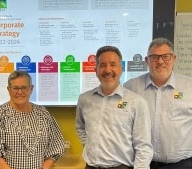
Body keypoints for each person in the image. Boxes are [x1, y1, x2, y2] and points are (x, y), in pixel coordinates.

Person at [75, 46, 153, 169]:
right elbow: (80, 127)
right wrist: (89, 145)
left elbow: (143, 146)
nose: (107, 70)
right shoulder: (85, 99)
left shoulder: (137, 102)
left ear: (121, 69)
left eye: (113, 64)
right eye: (102, 65)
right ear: (96, 70)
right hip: (90, 166)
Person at [123, 37, 192, 169]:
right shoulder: (130, 88)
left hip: (183, 164)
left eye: (166, 56)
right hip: (141, 164)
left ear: (174, 58)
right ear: (146, 60)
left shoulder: (190, 86)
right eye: (154, 57)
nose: (160, 61)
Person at [0, 70, 65, 169]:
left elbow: (56, 146)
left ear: (31, 89)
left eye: (24, 87)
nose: (20, 92)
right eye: (15, 88)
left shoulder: (43, 114)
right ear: (8, 89)